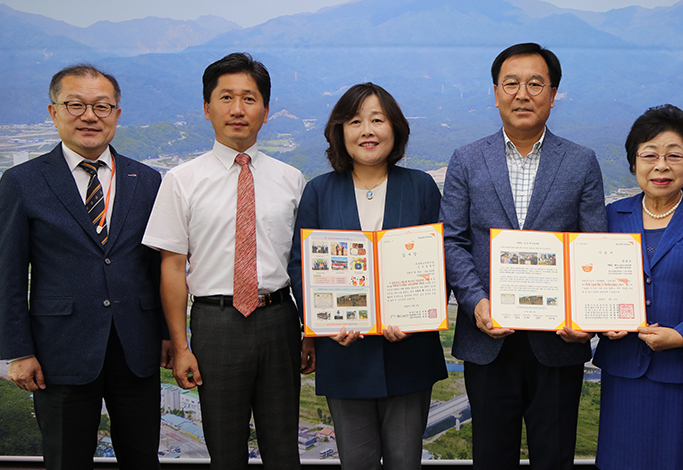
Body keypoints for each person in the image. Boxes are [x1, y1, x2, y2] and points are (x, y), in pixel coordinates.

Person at [440, 42, 607, 469]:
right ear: (495, 93)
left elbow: (595, 247)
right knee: (491, 456)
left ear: (553, 95)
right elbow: (453, 241)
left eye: (536, 84)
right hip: (487, 336)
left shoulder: (581, 161)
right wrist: (476, 303)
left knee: (554, 456)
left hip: (558, 341)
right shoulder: (466, 159)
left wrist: (583, 318)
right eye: (511, 83)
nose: (523, 93)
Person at [142, 52, 308, 469]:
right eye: (227, 97)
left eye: (249, 99)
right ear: (207, 108)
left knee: (284, 448)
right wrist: (181, 346)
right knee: (224, 447)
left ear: (266, 111)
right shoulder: (180, 181)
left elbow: (303, 264)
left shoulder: (292, 179)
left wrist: (311, 331)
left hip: (279, 319)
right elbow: (172, 268)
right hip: (216, 323)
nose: (238, 109)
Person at [0, 64, 166, 469]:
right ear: (54, 112)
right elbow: (6, 273)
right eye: (76, 105)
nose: (90, 116)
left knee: (142, 458)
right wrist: (16, 352)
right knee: (66, 460)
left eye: (102, 106)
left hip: (137, 349)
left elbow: (159, 267)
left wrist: (166, 335)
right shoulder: (22, 181)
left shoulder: (147, 180)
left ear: (117, 115)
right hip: (60, 352)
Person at [288, 83, 447, 470]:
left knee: (405, 462)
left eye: (378, 120)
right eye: (355, 121)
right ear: (340, 132)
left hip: (409, 354)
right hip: (345, 355)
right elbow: (299, 266)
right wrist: (323, 324)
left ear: (396, 128)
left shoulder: (421, 186)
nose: (367, 131)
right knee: (355, 463)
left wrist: (416, 317)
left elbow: (439, 261)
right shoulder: (319, 191)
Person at [594, 104, 683, 469]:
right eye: (649, 155)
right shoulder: (611, 216)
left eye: (674, 155)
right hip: (624, 365)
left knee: (679, 460)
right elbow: (590, 284)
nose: (661, 166)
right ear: (633, 161)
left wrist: (682, 335)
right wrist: (599, 323)